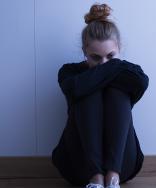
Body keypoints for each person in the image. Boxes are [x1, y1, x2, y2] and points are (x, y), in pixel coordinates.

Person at [51, 3, 149, 188]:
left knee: (116, 91)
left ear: (119, 48)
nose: (103, 64)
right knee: (87, 90)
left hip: (123, 165)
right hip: (77, 166)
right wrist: (112, 67)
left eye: (111, 56)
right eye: (95, 57)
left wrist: (103, 71)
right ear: (84, 52)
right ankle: (95, 177)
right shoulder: (69, 72)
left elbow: (142, 83)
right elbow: (74, 88)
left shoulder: (130, 73)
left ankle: (112, 176)